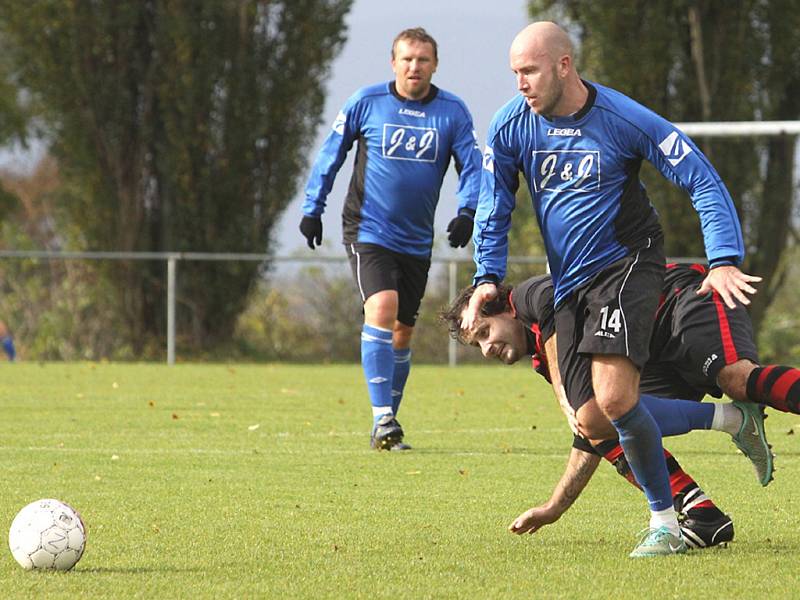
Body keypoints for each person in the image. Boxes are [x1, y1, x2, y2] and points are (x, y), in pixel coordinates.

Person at [462, 21, 762, 556]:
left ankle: (668, 524)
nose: (521, 85)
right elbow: (494, 203)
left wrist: (722, 259)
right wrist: (487, 274)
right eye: (514, 74)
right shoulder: (511, 125)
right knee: (594, 417)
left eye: (529, 71)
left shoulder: (622, 118)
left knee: (617, 397)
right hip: (570, 283)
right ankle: (732, 418)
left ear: (563, 65)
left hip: (627, 262)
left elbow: (702, 177)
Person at [444, 263, 796, 548]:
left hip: (680, 300)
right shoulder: (544, 359)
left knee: (737, 380)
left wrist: (567, 397)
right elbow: (590, 429)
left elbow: (553, 303)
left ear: (506, 309)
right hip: (654, 358)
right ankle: (701, 514)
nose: (487, 349)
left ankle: (733, 417)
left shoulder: (529, 295)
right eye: (478, 346)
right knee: (606, 421)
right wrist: (555, 506)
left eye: (485, 332)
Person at [301, 27, 481, 451]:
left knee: (402, 333)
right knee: (382, 307)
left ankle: (388, 424)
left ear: (435, 64)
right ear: (393, 62)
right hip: (368, 230)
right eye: (407, 59)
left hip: (416, 240)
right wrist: (313, 207)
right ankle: (383, 418)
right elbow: (331, 153)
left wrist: (467, 211)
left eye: (422, 59)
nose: (414, 66)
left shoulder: (453, 112)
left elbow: (473, 167)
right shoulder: (367, 102)